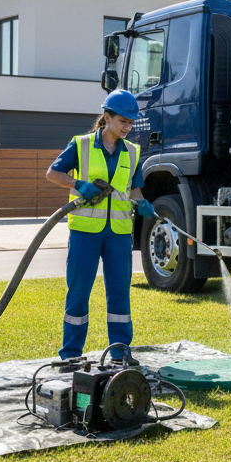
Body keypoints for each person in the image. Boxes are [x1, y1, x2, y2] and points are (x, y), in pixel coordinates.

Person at [45, 89, 157, 363]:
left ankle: (119, 353)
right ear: (106, 117)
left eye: (131, 123)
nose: (128, 127)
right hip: (85, 233)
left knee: (119, 294)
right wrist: (77, 184)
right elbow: (52, 173)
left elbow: (135, 192)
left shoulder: (132, 153)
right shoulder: (81, 145)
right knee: (79, 292)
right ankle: (71, 354)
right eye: (123, 121)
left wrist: (143, 204)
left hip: (118, 235)